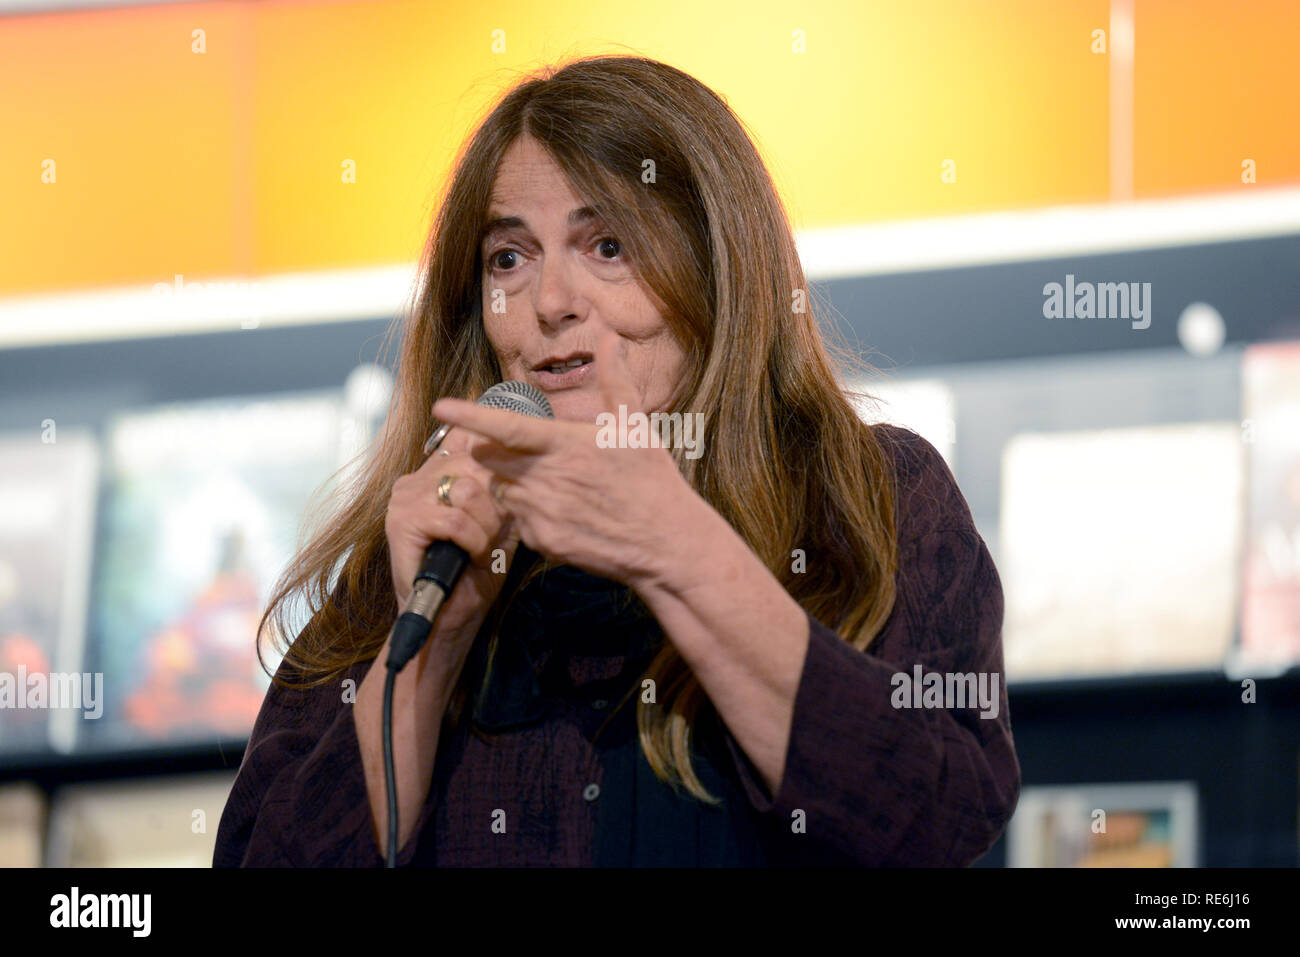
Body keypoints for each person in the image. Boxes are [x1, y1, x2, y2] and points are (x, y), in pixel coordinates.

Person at [213, 54, 1020, 867]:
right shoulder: (414, 567)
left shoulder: (870, 500)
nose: (552, 301)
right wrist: (435, 650)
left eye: (607, 245)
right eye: (509, 258)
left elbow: (940, 818)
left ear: (716, 269)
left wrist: (678, 547)